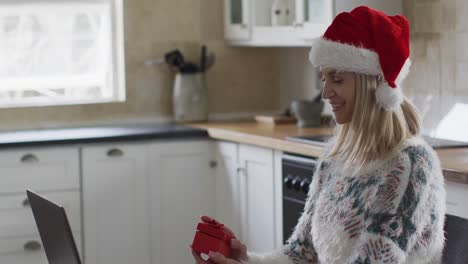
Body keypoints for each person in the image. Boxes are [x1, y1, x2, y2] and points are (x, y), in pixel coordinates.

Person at [191, 6, 446, 264]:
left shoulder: (409, 164)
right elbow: (302, 253)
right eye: (324, 79)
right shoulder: (335, 159)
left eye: (336, 79)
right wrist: (246, 261)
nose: (325, 93)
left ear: (374, 85)